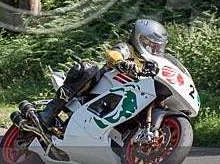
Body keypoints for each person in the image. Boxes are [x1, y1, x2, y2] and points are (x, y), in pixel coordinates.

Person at [35, 19, 167, 128]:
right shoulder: (128, 49)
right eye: (152, 45)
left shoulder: (152, 64)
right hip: (103, 89)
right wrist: (122, 63)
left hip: (128, 100)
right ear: (140, 39)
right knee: (87, 68)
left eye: (158, 47)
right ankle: (49, 112)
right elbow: (112, 54)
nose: (156, 49)